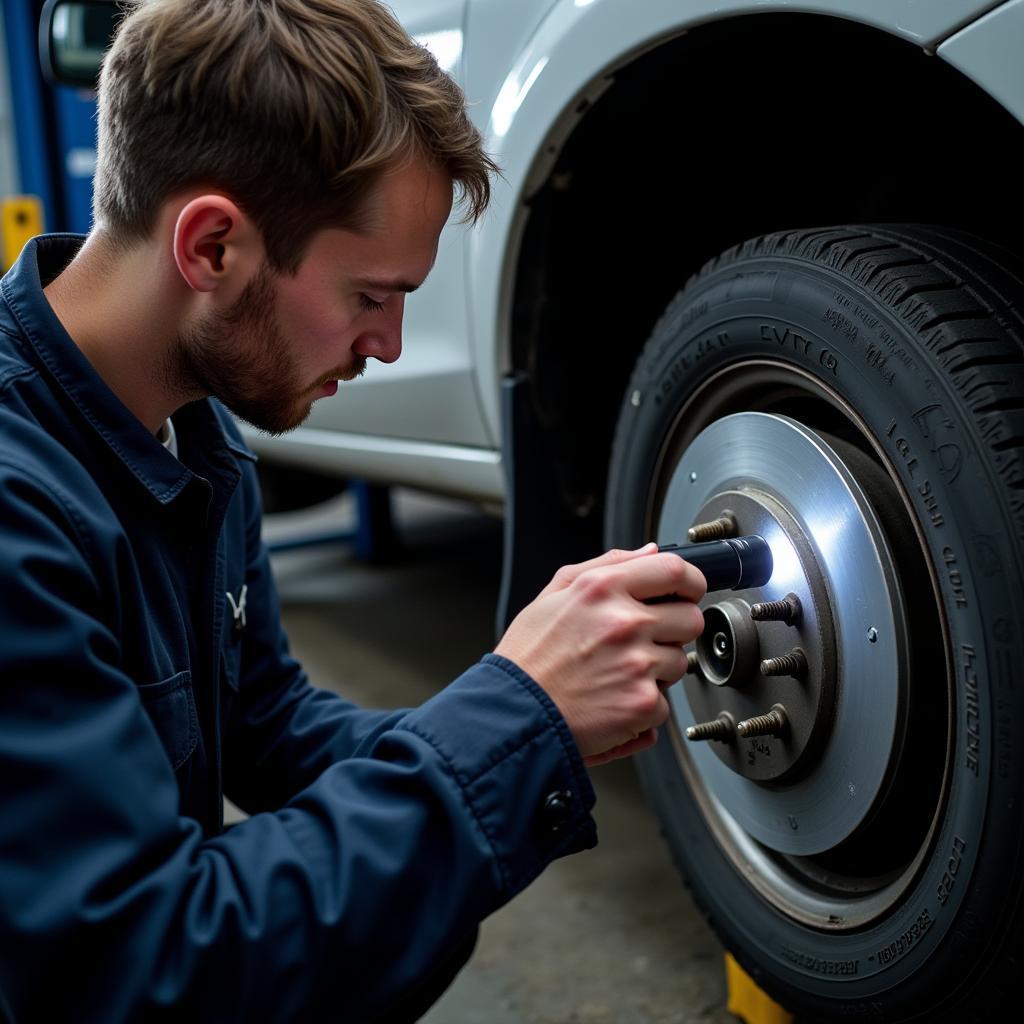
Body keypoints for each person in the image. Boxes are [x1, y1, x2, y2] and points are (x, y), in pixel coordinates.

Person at [0, 0, 706, 1020]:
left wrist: (526, 725)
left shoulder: (196, 441)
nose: (387, 343)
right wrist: (512, 709)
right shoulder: (21, 511)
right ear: (211, 248)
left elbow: (269, 723)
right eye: (370, 295)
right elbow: (141, 967)